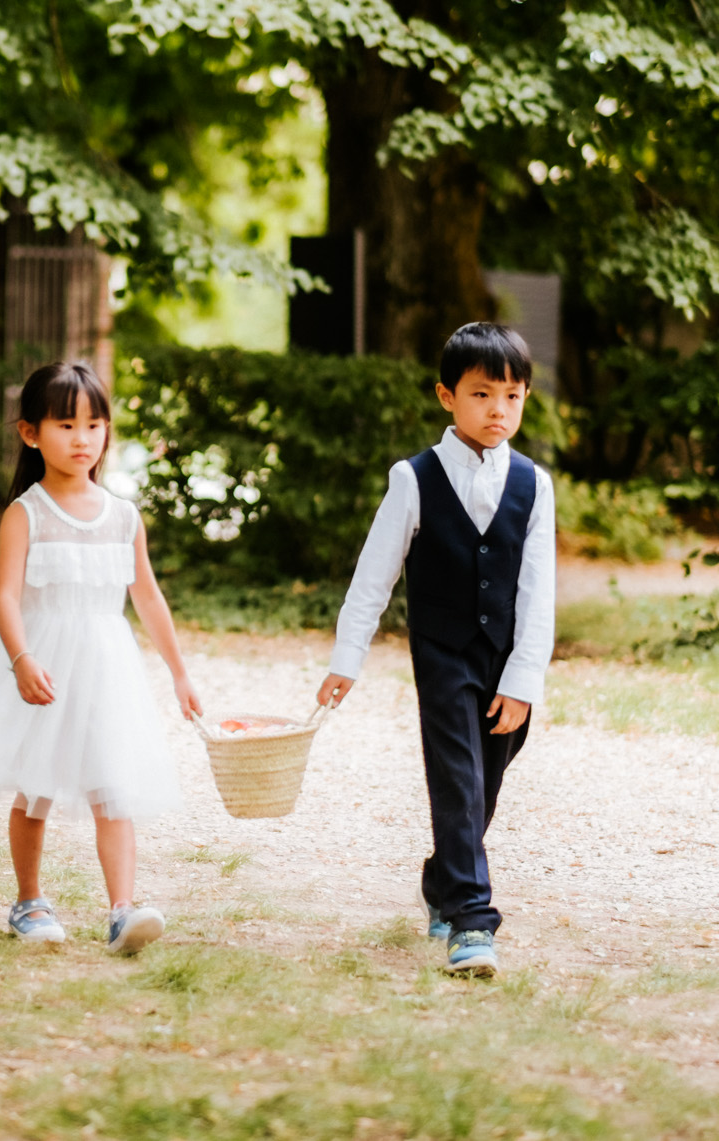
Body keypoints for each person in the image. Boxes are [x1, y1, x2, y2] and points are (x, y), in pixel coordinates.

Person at [0, 360, 202, 955]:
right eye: (66, 425)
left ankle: (122, 911)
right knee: (37, 788)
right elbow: (5, 597)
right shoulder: (26, 513)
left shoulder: (122, 516)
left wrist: (180, 672)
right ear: (31, 433)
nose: (83, 439)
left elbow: (147, 596)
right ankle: (28, 901)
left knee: (115, 786)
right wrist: (22, 658)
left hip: (108, 669)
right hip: (46, 666)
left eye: (94, 425)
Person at [315, 323, 556, 977]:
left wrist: (525, 675)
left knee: (484, 785)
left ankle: (442, 880)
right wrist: (348, 657)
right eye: (482, 394)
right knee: (456, 781)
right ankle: (473, 922)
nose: (498, 410)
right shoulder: (413, 477)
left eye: (512, 396)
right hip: (443, 656)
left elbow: (540, 590)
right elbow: (374, 574)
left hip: (507, 661)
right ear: (447, 396)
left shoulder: (535, 484)